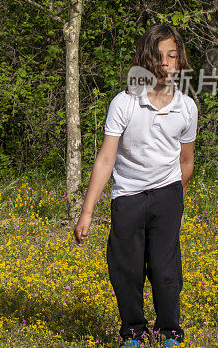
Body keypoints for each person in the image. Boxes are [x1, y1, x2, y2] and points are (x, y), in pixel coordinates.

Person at [72, 24, 198, 347]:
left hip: (167, 194)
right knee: (125, 268)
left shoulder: (186, 107)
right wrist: (87, 212)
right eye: (159, 57)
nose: (167, 64)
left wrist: (180, 204)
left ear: (179, 61)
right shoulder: (125, 103)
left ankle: (170, 331)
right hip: (127, 196)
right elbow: (105, 160)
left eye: (173, 56)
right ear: (146, 60)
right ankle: (134, 331)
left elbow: (186, 163)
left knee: (164, 268)